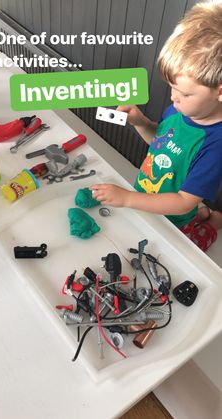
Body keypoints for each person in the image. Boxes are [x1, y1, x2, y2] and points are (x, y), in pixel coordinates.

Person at [90, 1, 222, 252]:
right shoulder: (178, 110)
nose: (173, 98)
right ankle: (202, 213)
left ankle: (212, 221)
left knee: (194, 245)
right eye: (171, 87)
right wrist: (140, 122)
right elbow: (159, 142)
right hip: (149, 198)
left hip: (176, 219)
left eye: (183, 93)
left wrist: (128, 198)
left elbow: (183, 202)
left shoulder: (215, 145)